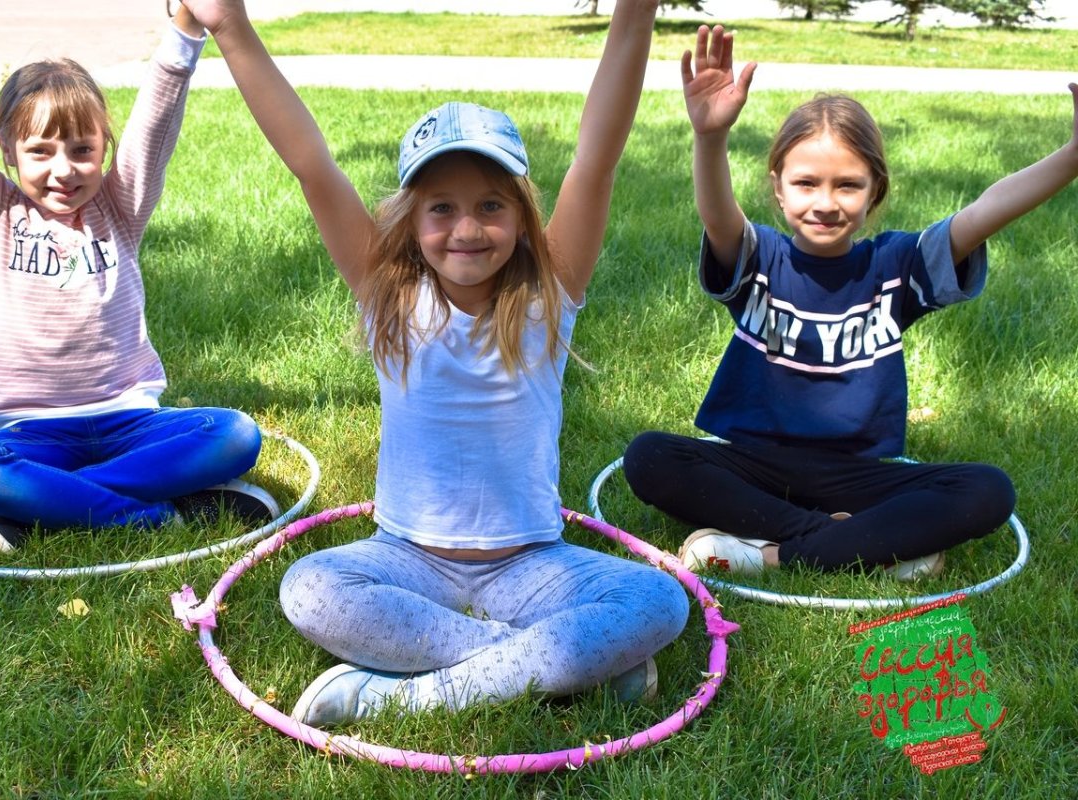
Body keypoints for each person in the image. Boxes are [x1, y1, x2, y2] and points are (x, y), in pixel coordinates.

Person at [180, 0, 687, 727]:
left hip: (531, 568)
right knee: (311, 589)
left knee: (657, 601)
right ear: (411, 223)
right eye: (441, 209)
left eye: (490, 205)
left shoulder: (549, 298)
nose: (467, 229)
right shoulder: (389, 299)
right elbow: (311, 164)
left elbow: (597, 156)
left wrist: (636, 11)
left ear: (522, 218)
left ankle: (404, 697)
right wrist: (230, 27)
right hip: (407, 560)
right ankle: (541, 663)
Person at [624, 25, 1078, 579]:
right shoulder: (759, 258)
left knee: (987, 490)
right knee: (649, 456)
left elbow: (987, 210)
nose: (825, 202)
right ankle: (855, 544)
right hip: (752, 465)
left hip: (855, 475)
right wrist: (710, 138)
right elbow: (719, 216)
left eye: (848, 185)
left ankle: (771, 554)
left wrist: (1073, 157)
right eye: (807, 183)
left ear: (875, 192)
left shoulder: (897, 265)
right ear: (778, 189)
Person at [0, 0, 280, 553]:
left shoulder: (120, 207)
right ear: (6, 152)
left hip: (130, 422)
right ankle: (159, 516)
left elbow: (155, 123)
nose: (64, 169)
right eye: (40, 151)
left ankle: (49, 507)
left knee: (235, 435)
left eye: (83, 150)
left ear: (106, 148)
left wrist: (188, 25)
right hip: (25, 433)